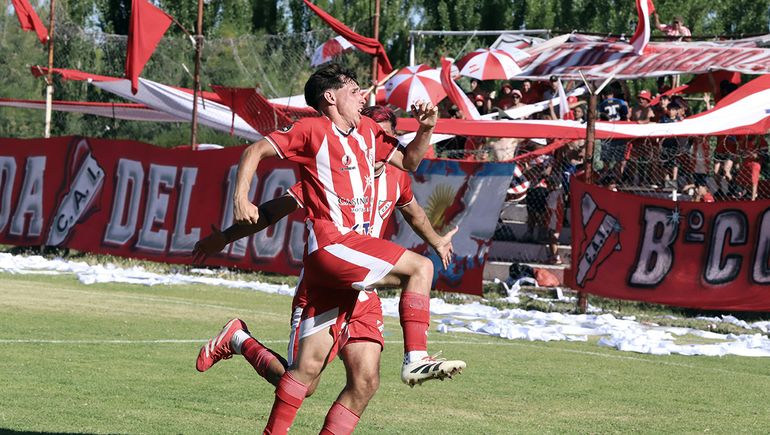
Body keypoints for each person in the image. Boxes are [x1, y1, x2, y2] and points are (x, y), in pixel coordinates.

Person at [227, 64, 465, 433]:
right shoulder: (311, 130)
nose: (363, 97)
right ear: (331, 97)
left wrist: (428, 127)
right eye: (355, 91)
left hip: (351, 265)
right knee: (421, 268)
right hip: (332, 245)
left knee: (310, 376)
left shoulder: (368, 132)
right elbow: (255, 150)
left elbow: (411, 162)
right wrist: (241, 198)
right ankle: (415, 357)